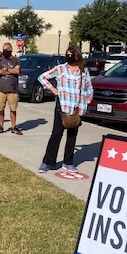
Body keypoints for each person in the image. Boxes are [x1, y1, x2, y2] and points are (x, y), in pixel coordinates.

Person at [37, 45, 94, 173]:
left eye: (72, 55)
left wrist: (88, 99)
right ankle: (47, 162)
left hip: (77, 109)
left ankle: (68, 162)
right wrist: (53, 89)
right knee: (56, 134)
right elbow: (42, 77)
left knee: (72, 136)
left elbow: (89, 88)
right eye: (67, 54)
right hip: (62, 107)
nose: (69, 57)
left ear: (77, 56)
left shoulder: (83, 71)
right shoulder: (61, 69)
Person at [0, 43, 22, 134]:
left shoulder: (16, 60)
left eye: (6, 50)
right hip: (1, 89)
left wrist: (5, 71)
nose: (5, 52)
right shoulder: (0, 60)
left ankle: (13, 127)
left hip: (13, 89)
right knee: (0, 108)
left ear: (11, 50)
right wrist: (11, 71)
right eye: (4, 50)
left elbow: (17, 71)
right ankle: (1, 126)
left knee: (13, 109)